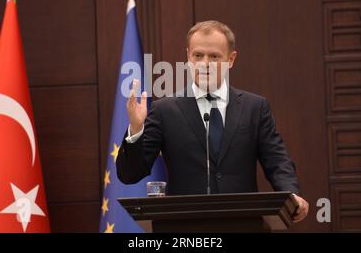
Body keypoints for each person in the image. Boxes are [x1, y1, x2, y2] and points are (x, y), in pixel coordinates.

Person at [116, 20, 309, 222]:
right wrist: (136, 129)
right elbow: (130, 174)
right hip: (186, 229)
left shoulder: (255, 107)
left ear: (231, 59)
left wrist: (291, 194)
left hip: (244, 223)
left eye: (214, 56)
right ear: (188, 57)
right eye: (198, 55)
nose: (205, 63)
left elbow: (277, 161)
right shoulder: (164, 110)